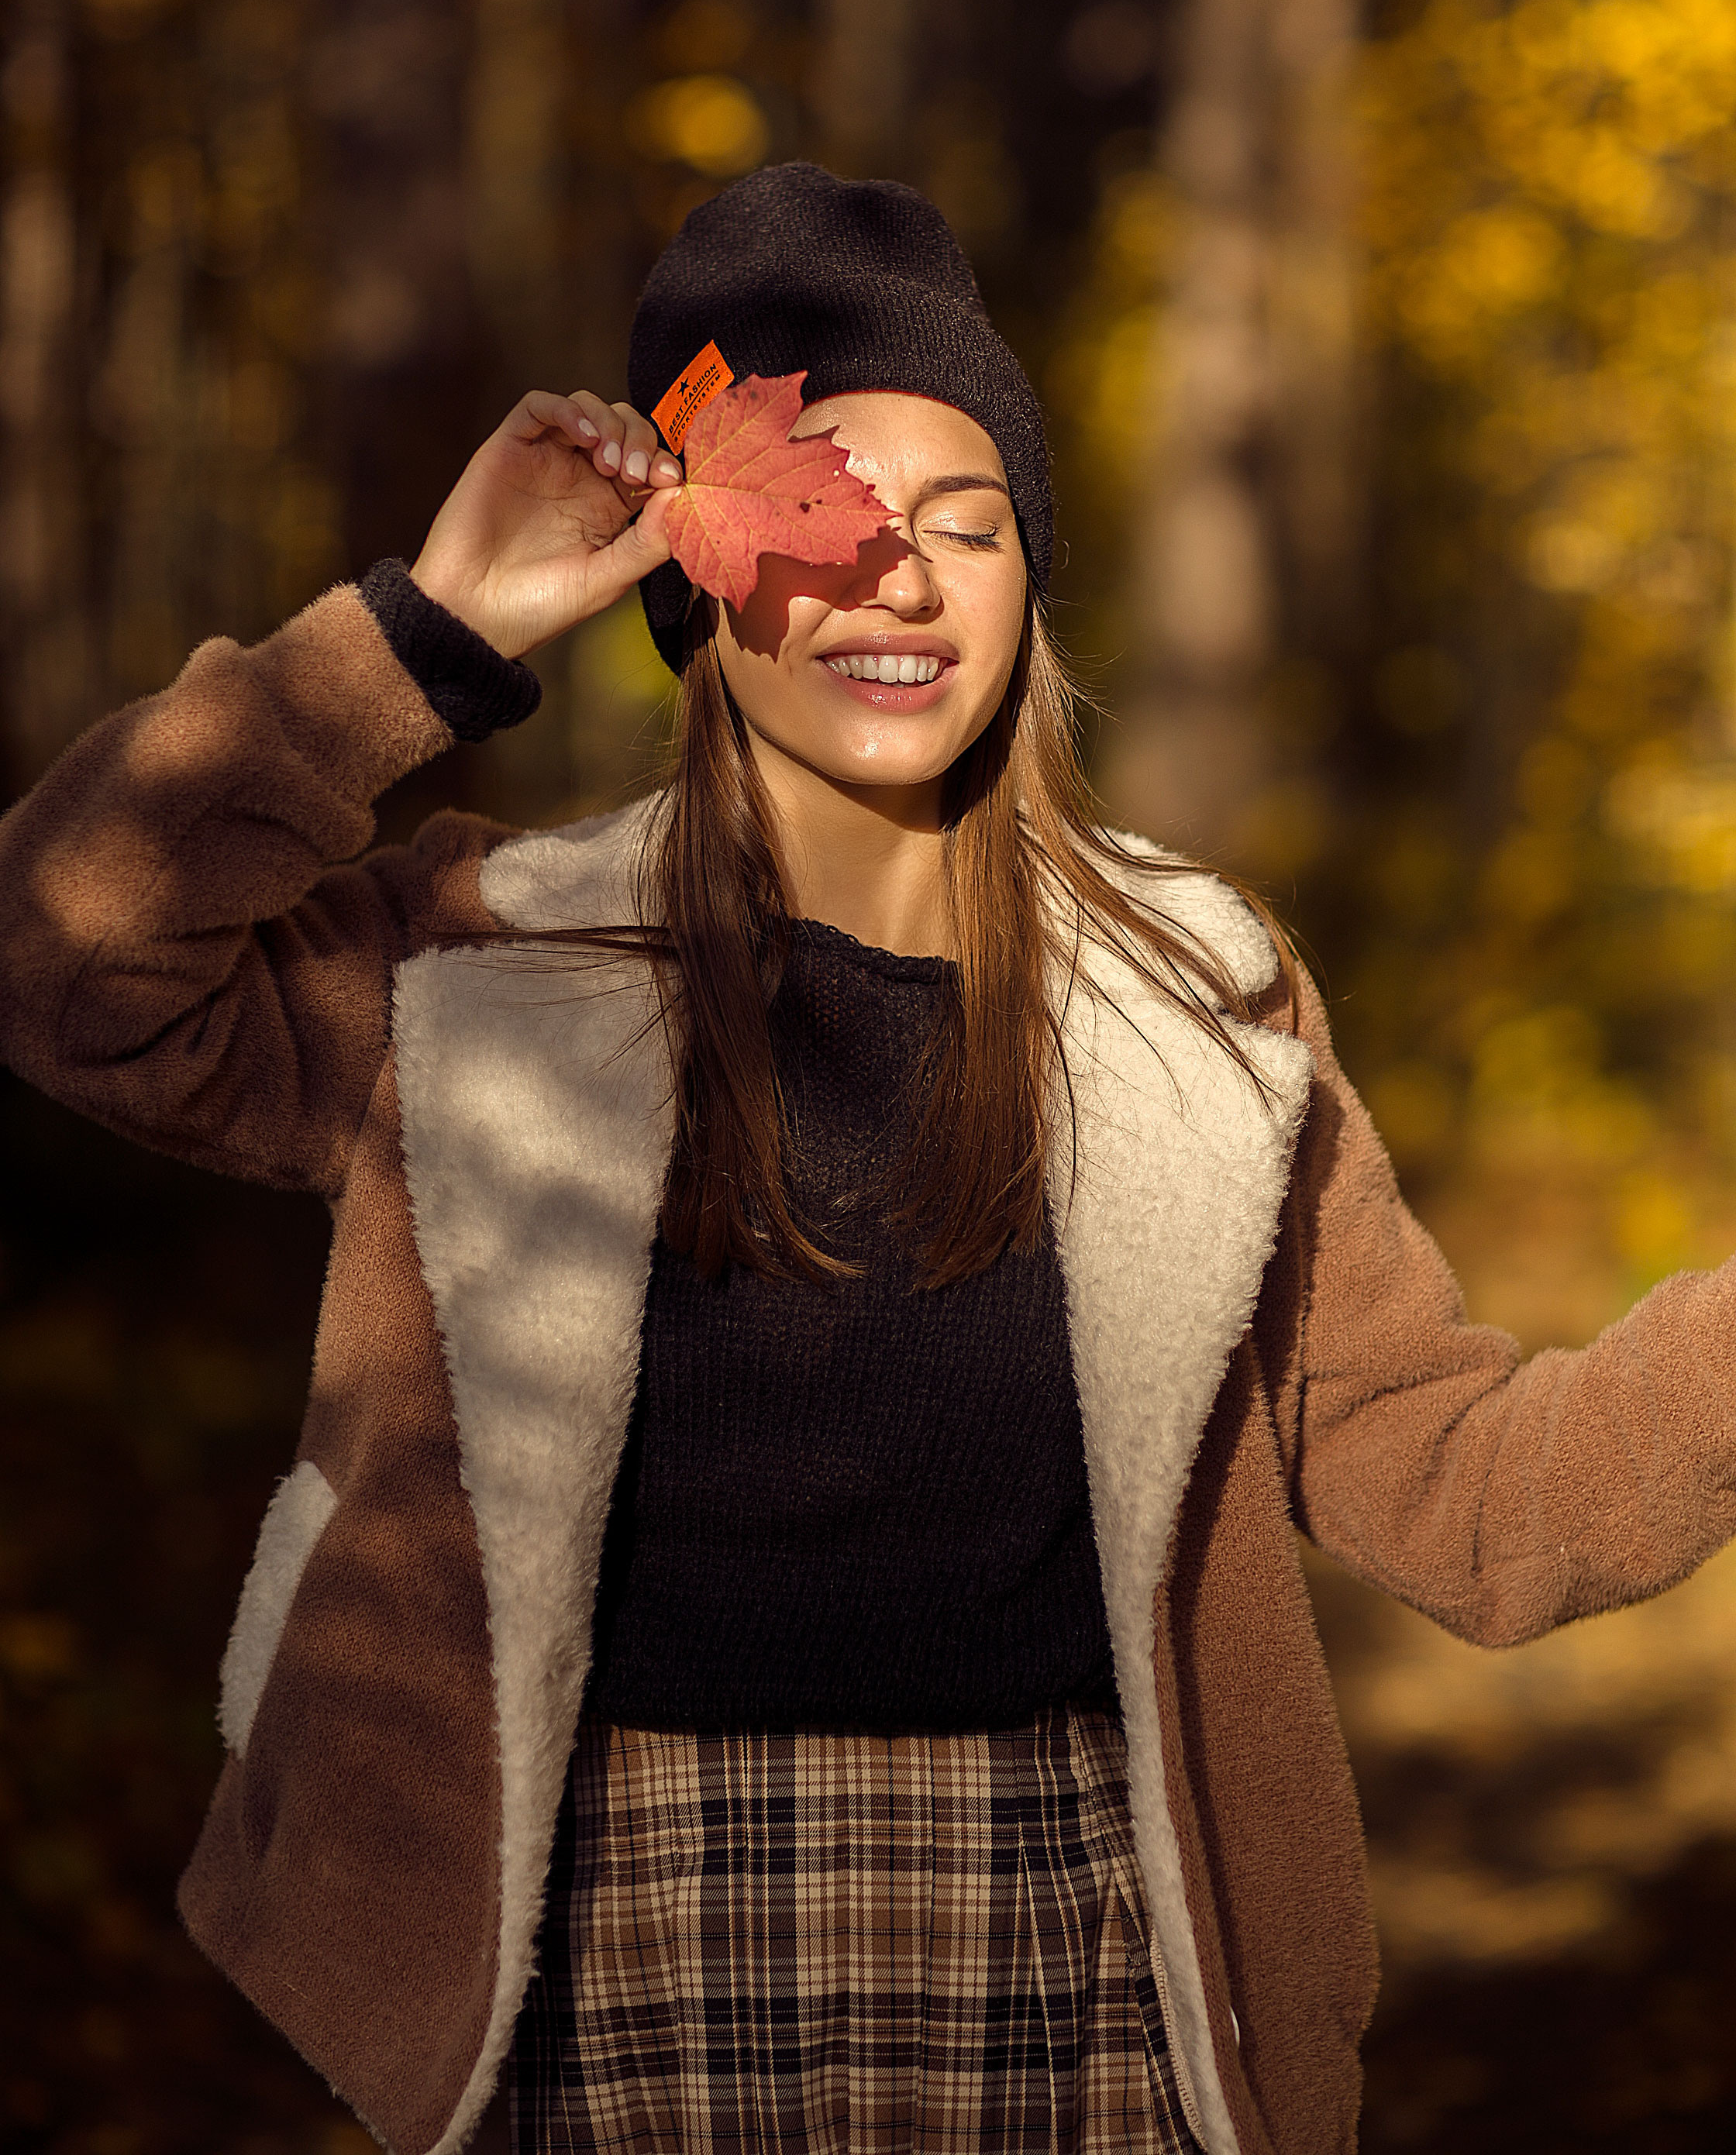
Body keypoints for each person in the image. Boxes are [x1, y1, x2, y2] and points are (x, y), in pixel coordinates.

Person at [5, 162, 1736, 2155]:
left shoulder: (1205, 1008)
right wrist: (430, 633)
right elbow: (67, 960)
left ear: (1026, 586)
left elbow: (1461, 1495)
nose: (897, 579)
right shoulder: (476, 968)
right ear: (690, 579)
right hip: (602, 1969)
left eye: (970, 526)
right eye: (821, 521)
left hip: (1084, 1966)